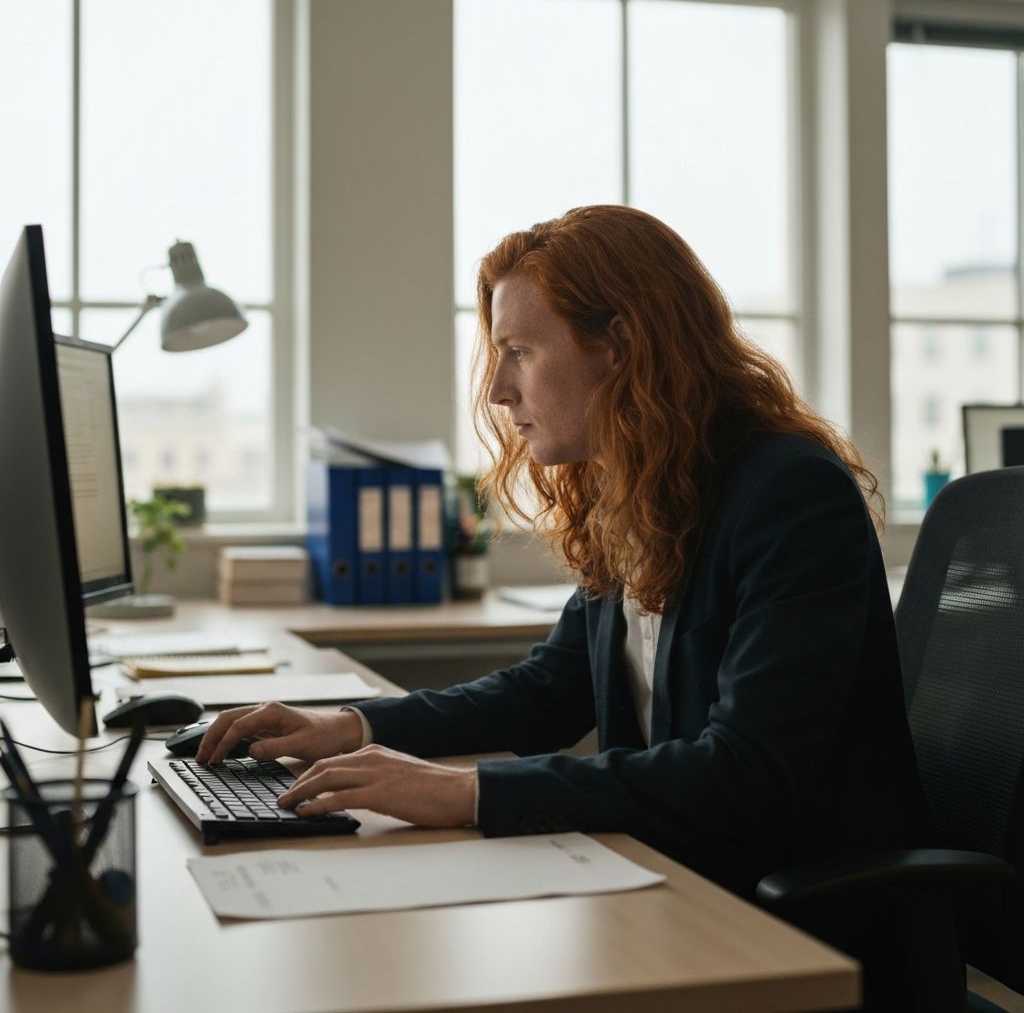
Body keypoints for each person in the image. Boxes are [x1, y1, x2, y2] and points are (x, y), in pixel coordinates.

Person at [198, 203, 928, 919]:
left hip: (788, 921)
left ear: (617, 345)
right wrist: (352, 726)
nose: (497, 389)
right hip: (669, 881)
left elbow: (745, 772)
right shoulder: (639, 488)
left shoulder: (787, 494)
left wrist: (465, 792)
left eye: (521, 350)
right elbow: (548, 692)